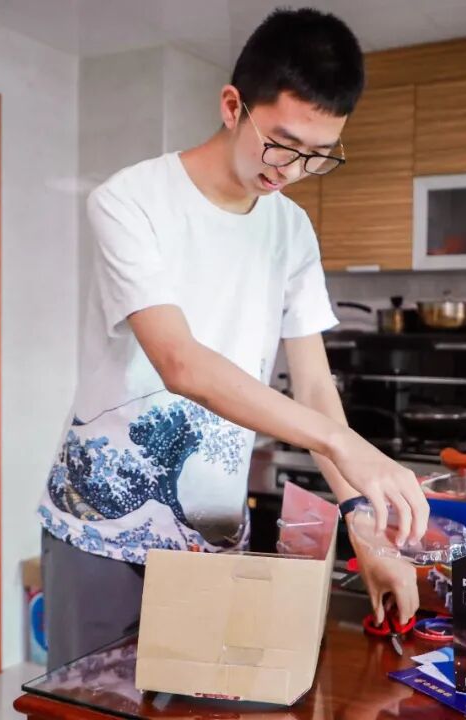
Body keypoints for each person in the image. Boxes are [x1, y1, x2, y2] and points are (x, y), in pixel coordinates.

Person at [37, 7, 430, 669]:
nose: (293, 169)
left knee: (201, 706)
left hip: (214, 539)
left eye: (318, 155)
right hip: (100, 535)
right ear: (231, 106)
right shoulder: (130, 201)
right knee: (89, 710)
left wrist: (367, 530)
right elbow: (180, 362)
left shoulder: (292, 231)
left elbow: (315, 390)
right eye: (282, 143)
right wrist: (346, 445)